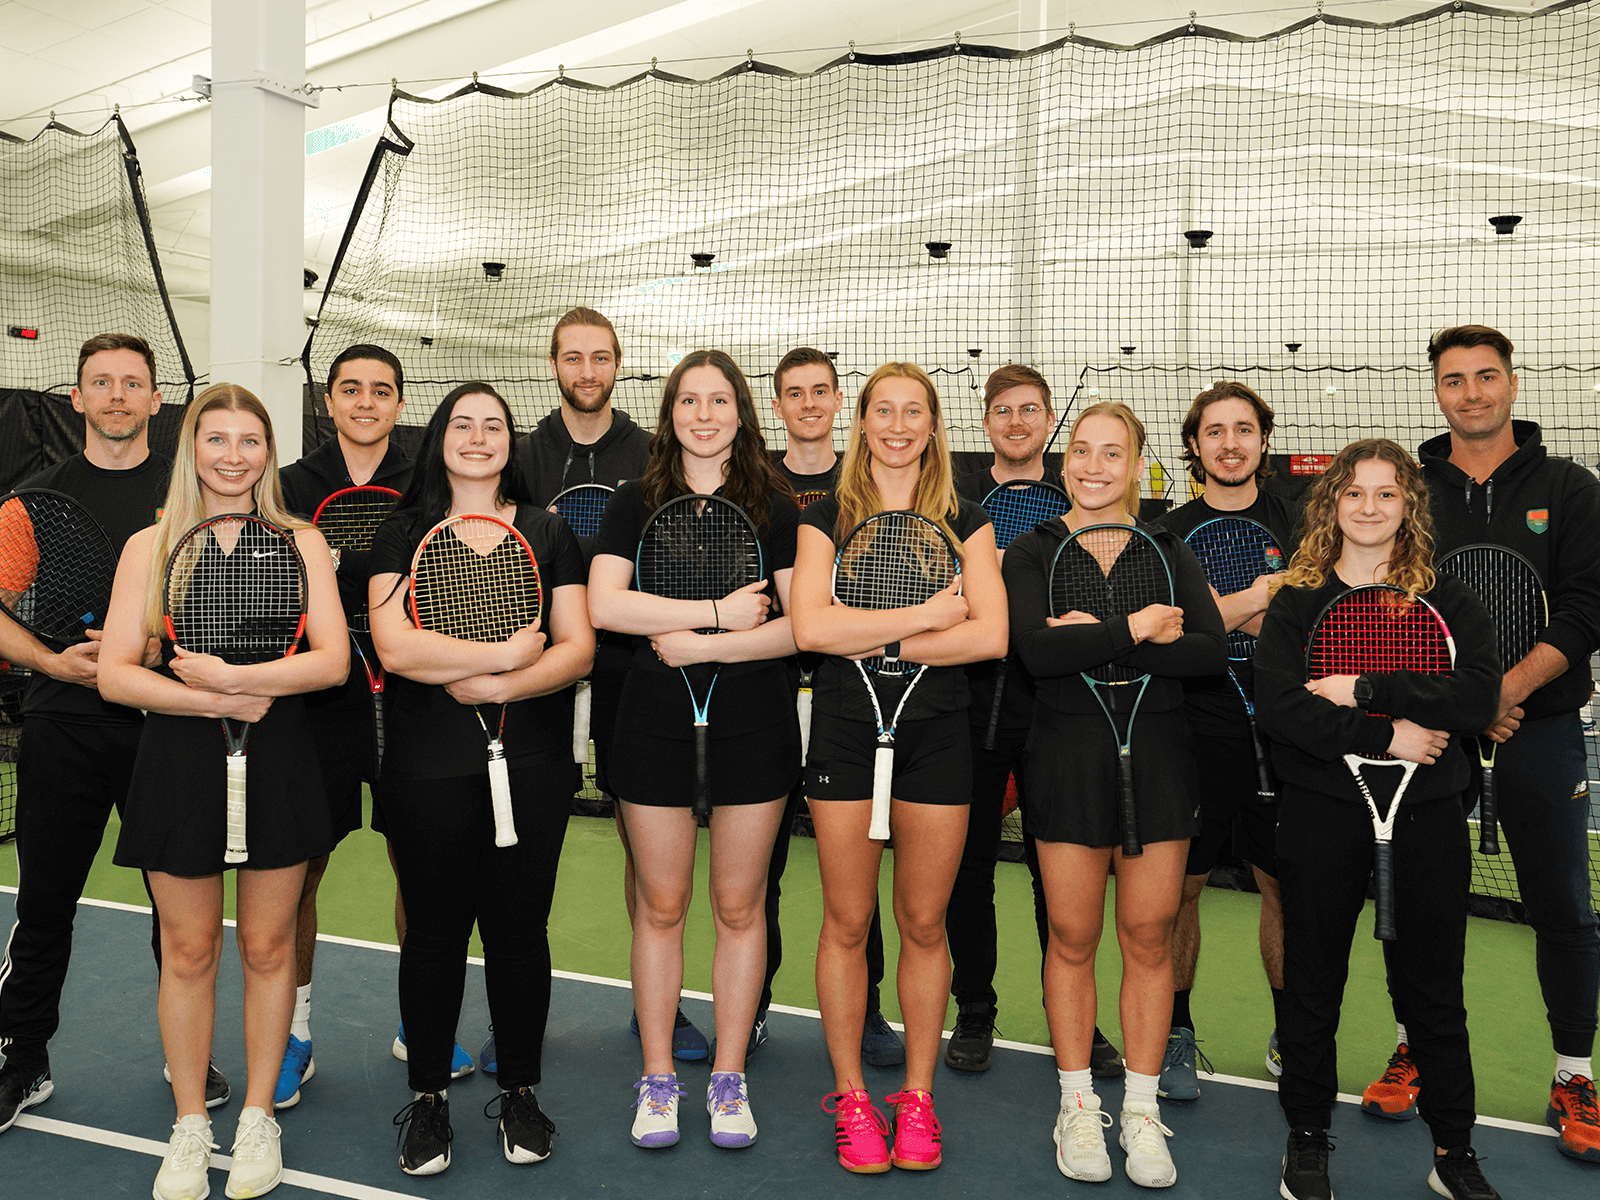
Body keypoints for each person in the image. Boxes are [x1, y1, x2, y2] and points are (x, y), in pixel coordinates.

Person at [99, 384, 349, 1200]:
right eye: (217, 439)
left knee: (269, 948)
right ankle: (189, 1127)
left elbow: (331, 662)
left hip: (275, 758)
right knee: (190, 949)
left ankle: (256, 1120)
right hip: (178, 760)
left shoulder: (302, 542)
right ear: (192, 448)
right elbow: (114, 673)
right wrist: (216, 699)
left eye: (250, 441)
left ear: (267, 454)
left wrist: (241, 680)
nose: (232, 456)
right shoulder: (151, 545)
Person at [1360, 325, 1600, 1163]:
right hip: (1437, 740)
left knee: (1564, 908)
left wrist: (1504, 692)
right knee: (1419, 905)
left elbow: (1583, 609)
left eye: (1486, 376)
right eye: (1454, 380)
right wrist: (1460, 706)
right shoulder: (1410, 489)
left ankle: (1574, 1073)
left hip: (1541, 733)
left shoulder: (1569, 487)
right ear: (1437, 393)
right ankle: (1414, 1047)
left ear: (1514, 385)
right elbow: (1392, 608)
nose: (1472, 393)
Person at [1253, 437, 1502, 1200]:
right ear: (1331, 505)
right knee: (1312, 983)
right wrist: (1384, 733)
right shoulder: (1297, 602)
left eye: (1385, 494)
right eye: (1354, 493)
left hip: (1425, 816)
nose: (1368, 507)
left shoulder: (1450, 603)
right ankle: (1306, 1138)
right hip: (1325, 812)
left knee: (1432, 990)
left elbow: (1474, 699)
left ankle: (1453, 1151)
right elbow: (1284, 709)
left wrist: (1361, 687)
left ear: (1408, 506)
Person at [369, 382, 592, 1175]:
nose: (477, 436)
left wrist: (501, 689)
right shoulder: (402, 533)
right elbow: (396, 648)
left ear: (511, 444)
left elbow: (575, 648)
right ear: (440, 439)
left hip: (531, 764)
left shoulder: (549, 532)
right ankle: (427, 1100)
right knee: (432, 934)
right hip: (427, 767)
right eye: (462, 424)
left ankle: (521, 1093)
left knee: (519, 934)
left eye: (493, 425)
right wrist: (501, 656)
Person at [791, 362, 1007, 1173]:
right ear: (864, 421)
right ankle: (852, 1099)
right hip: (848, 733)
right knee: (848, 923)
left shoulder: (967, 517)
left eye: (913, 411)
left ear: (933, 425)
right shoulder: (823, 518)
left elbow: (988, 636)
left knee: (924, 923)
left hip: (937, 736)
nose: (897, 424)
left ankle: (916, 1101)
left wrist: (867, 628)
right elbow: (811, 628)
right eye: (884, 409)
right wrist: (924, 618)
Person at [1004, 400, 1225, 1189]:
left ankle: (1137, 1108)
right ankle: (1075, 1105)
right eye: (1082, 452)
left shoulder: (1167, 546)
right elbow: (1034, 652)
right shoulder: (1030, 551)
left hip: (1160, 759)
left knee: (1148, 935)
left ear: (1138, 465)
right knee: (1070, 934)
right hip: (1065, 758)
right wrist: (1134, 630)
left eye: (1112, 453)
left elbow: (1206, 652)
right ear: (1066, 461)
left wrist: (1090, 635)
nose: (1094, 466)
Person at [588, 349, 800, 1151]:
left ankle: (729, 1076)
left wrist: (699, 642)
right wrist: (716, 611)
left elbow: (796, 626)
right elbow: (608, 606)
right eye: (688, 401)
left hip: (752, 720)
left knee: (741, 907)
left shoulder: (778, 508)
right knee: (663, 904)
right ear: (669, 413)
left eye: (719, 401)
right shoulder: (632, 501)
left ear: (741, 414)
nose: (703, 415)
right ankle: (659, 1080)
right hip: (651, 721)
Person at [0, 334, 201, 1132]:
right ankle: (22, 1058)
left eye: (133, 384)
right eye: (101, 383)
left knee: (177, 912)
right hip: (63, 733)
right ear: (75, 399)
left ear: (157, 400)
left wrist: (162, 650)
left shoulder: (187, 494)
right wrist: (57, 663)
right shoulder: (31, 500)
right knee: (45, 903)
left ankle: (183, 1055)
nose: (118, 396)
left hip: (165, 731)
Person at [517, 309, 707, 1062]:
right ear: (555, 365)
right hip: (539, 668)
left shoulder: (654, 453)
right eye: (573, 357)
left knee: (645, 847)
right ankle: (516, 1011)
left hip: (636, 673)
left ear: (618, 365)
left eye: (600, 358)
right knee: (528, 845)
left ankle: (653, 1006)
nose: (586, 371)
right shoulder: (525, 452)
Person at [947, 364, 1124, 1079]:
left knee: (1061, 878)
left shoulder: (1081, 498)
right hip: (974, 713)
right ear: (986, 423)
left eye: (1030, 411)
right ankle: (975, 1012)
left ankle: (1073, 1021)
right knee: (968, 872)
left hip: (1057, 714)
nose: (1016, 422)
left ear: (1049, 421)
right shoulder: (958, 505)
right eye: (1003, 412)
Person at [276, 343, 416, 1107]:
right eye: (351, 389)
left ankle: (416, 1021)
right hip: (317, 710)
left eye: (381, 390)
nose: (366, 402)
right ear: (328, 402)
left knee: (418, 869)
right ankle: (295, 1032)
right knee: (301, 874)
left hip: (407, 704)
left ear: (400, 403)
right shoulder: (288, 486)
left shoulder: (425, 485)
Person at [759, 345, 903, 1069]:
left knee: (859, 868)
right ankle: (752, 1006)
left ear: (839, 400)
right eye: (795, 393)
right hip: (774, 696)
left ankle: (869, 1007)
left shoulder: (868, 485)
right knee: (764, 868)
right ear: (778, 405)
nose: (809, 403)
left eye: (821, 391)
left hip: (860, 702)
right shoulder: (758, 485)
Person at [1153, 381, 1298, 1095]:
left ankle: (1291, 1031)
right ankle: (1177, 1033)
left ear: (1263, 441)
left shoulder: (1304, 524)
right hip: (1193, 731)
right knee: (1183, 889)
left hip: (1283, 733)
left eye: (1245, 429)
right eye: (1216, 431)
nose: (1231, 442)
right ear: (1195, 445)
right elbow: (1177, 630)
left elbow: (1302, 628)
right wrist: (1256, 602)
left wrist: (1214, 612)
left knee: (1285, 887)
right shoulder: (1168, 530)